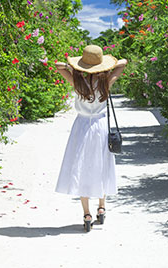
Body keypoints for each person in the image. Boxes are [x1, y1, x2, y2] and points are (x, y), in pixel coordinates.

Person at [54, 44, 127, 232]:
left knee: (81, 166)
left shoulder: (78, 83)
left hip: (82, 126)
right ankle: (101, 207)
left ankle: (86, 214)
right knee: (101, 164)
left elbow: (58, 66)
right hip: (100, 127)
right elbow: (122, 65)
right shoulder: (105, 83)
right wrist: (111, 65)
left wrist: (71, 68)